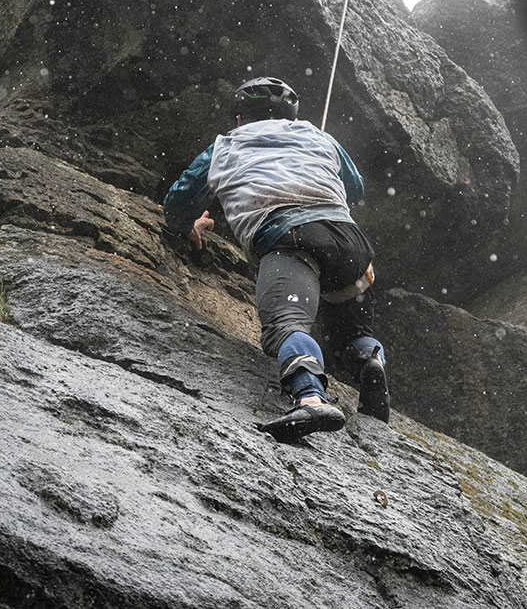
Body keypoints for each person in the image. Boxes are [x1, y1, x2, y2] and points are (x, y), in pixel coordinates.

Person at [163, 76, 389, 443]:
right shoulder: (320, 137)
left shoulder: (224, 146)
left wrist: (189, 225)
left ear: (239, 119)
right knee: (350, 330)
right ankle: (370, 360)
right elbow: (357, 190)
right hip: (351, 242)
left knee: (286, 324)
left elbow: (176, 203)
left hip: (290, 237)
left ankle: (311, 399)